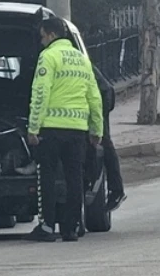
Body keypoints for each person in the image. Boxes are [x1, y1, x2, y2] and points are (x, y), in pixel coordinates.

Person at [25, 17, 104, 243]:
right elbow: (94, 97)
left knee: (47, 177)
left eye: (42, 37)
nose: (41, 42)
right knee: (74, 178)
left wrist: (33, 127)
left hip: (51, 129)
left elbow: (41, 93)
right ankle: (73, 227)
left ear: (50, 35)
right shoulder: (81, 60)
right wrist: (96, 129)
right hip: (77, 130)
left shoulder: (48, 57)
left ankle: (48, 226)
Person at [92, 68, 126, 212]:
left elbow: (107, 90)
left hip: (95, 111)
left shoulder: (82, 63)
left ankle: (116, 190)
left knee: (105, 144)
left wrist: (100, 116)